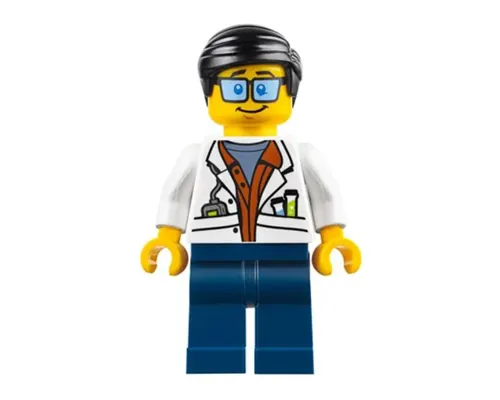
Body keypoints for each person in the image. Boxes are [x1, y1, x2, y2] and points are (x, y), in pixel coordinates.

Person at [140, 24, 361, 374]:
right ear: (210, 94)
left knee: (287, 329)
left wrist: (333, 237)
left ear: (289, 92)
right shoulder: (198, 156)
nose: (249, 101)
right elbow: (176, 196)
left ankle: (285, 377)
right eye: (234, 88)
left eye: (264, 88)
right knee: (212, 328)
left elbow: (324, 195)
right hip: (214, 255)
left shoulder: (301, 155)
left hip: (285, 255)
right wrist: (168, 237)